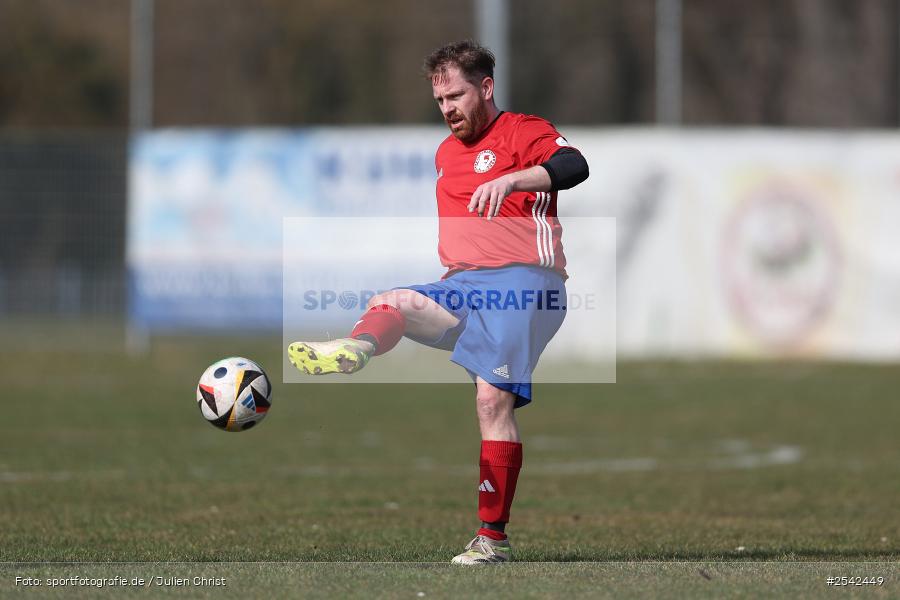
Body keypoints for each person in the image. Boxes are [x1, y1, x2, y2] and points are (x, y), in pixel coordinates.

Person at [288, 40, 589, 564]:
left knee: (490, 400)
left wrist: (514, 177)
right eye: (440, 101)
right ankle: (357, 349)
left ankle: (492, 541)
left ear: (486, 88)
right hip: (465, 286)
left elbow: (575, 164)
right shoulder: (446, 155)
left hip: (526, 283)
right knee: (391, 302)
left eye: (456, 95)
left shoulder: (523, 131)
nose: (448, 109)